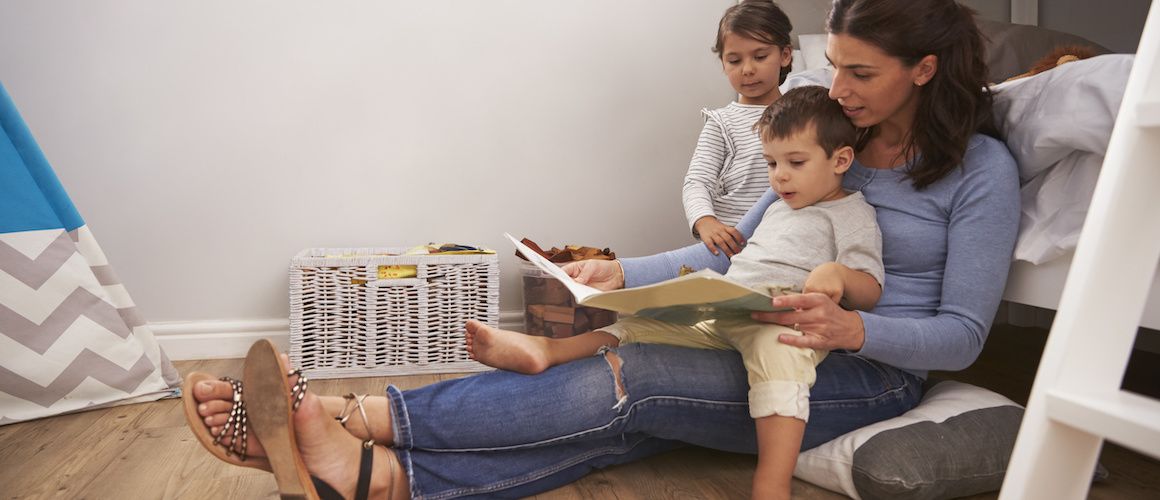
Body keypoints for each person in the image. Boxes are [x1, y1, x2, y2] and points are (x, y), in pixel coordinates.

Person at [183, 0, 1021, 498]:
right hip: (756, 320)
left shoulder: (979, 171)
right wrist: (621, 274)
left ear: (924, 69)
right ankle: (377, 479)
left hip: (863, 372)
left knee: (639, 380)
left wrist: (854, 332)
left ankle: (353, 421)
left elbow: (963, 334)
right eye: (833, 66)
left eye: (860, 74)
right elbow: (733, 260)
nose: (837, 90)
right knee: (626, 404)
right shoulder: (820, 145)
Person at [464, 85, 882, 498]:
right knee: (640, 322)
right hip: (731, 304)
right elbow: (722, 256)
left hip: (782, 317)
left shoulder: (851, 214)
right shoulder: (776, 206)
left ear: (841, 159)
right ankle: (548, 351)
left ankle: (771, 482)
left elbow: (871, 288)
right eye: (771, 162)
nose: (779, 176)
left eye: (795, 162)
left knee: (782, 363)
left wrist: (838, 276)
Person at [684, 0, 794, 257]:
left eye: (760, 56)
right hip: (732, 248)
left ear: (785, 55)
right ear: (723, 64)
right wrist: (705, 221)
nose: (747, 69)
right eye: (734, 60)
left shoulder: (803, 115)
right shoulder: (721, 123)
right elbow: (697, 181)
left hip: (786, 243)